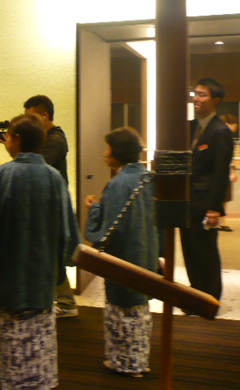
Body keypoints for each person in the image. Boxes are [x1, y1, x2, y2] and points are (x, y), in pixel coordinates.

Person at [0, 114, 78, 390]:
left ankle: (14, 383)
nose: (5, 140)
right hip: (42, 278)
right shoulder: (53, 178)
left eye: (8, 136)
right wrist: (60, 266)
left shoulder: (2, 175)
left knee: (12, 339)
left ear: (17, 140)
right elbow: (67, 232)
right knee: (40, 336)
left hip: (9, 277)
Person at [85, 127, 158, 378]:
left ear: (118, 152)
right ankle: (139, 359)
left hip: (124, 256)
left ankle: (125, 363)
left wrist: (94, 209)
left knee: (122, 308)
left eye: (108, 148)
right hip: (145, 253)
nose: (105, 154)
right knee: (139, 308)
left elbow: (108, 229)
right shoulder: (149, 178)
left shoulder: (118, 183)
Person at [180, 78, 234, 301]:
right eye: (196, 93)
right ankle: (195, 296)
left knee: (205, 252)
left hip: (205, 203)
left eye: (202, 95)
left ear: (216, 100)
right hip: (186, 201)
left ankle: (210, 299)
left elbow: (220, 174)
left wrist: (214, 208)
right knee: (190, 250)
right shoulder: (190, 127)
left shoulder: (220, 131)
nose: (197, 98)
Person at [24, 95, 77, 318]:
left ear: (44, 116)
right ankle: (63, 300)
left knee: (52, 253)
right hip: (49, 203)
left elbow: (38, 167)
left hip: (52, 206)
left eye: (31, 118)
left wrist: (19, 150)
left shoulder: (56, 140)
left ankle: (65, 302)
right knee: (50, 253)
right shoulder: (51, 138)